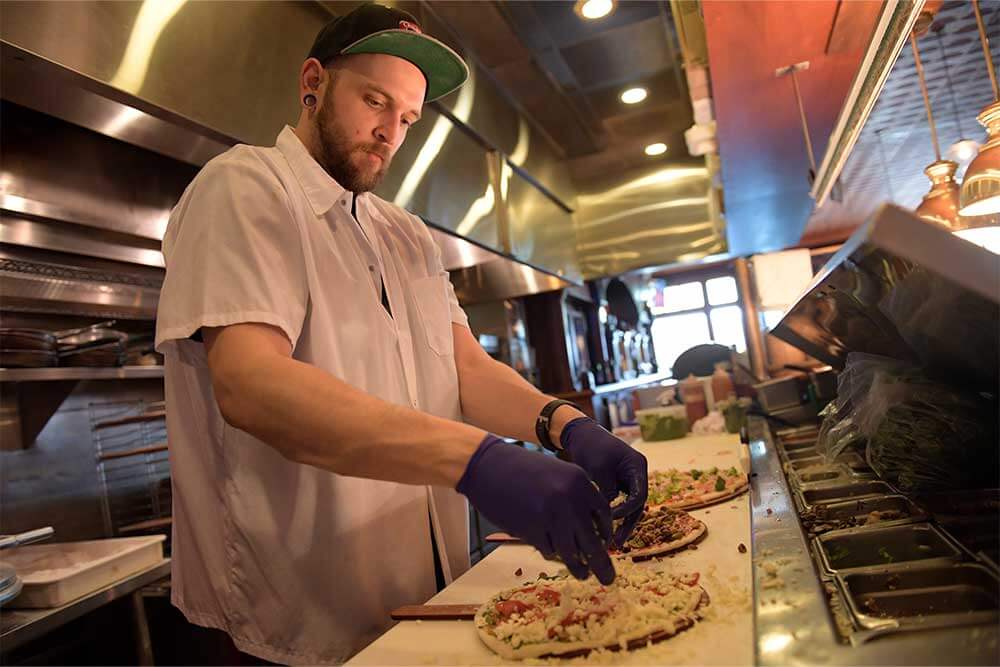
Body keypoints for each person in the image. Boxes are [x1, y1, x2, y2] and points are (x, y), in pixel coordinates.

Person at [154, 4, 647, 664]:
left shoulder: (405, 235)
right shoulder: (244, 189)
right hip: (292, 625)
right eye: (375, 101)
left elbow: (464, 367)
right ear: (313, 82)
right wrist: (478, 461)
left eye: (408, 118)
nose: (390, 131)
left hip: (424, 598)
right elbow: (250, 384)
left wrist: (564, 425)